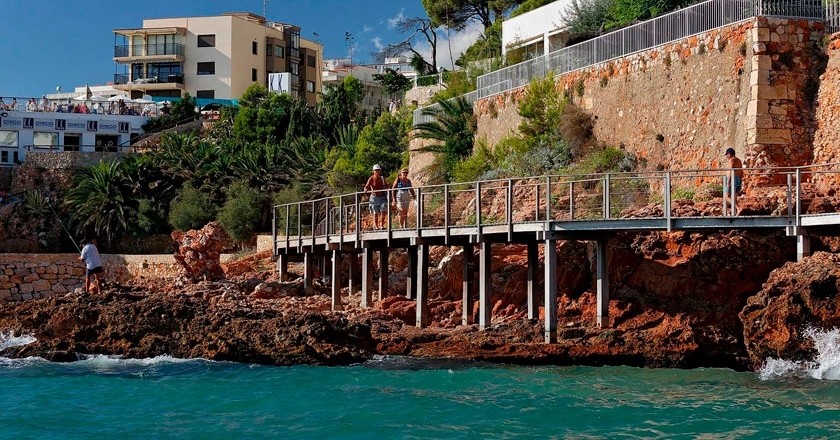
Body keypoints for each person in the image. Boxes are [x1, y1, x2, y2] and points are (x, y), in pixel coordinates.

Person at [364, 164, 388, 229]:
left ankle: (382, 225)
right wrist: (366, 190)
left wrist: (386, 188)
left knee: (383, 211)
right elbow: (367, 186)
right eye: (376, 170)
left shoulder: (382, 178)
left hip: (382, 197)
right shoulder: (371, 178)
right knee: (375, 212)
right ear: (373, 171)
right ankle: (376, 226)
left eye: (378, 170)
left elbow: (386, 186)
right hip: (374, 197)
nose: (377, 171)